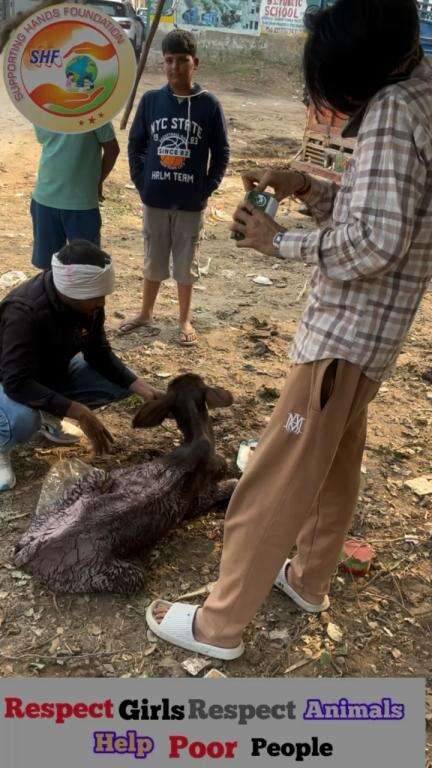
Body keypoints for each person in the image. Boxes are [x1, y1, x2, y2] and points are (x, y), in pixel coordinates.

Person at [144, 0, 432, 659]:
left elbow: (378, 241)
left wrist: (280, 245)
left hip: (345, 333)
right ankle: (308, 579)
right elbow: (386, 207)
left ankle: (219, 625)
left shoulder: (392, 112)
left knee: (274, 475)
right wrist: (306, 186)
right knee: (332, 463)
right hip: (372, 339)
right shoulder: (422, 89)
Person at [0, 240, 159, 491]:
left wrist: (140, 387)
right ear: (70, 292)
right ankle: (2, 443)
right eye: (96, 297)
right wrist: (79, 412)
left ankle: (49, 416)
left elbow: (99, 353)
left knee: (118, 383)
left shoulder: (88, 305)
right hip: (8, 381)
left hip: (49, 372)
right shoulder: (24, 312)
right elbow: (16, 382)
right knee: (22, 419)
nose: (102, 304)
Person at [122, 29, 230, 346]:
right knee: (153, 259)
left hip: (190, 202)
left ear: (194, 62)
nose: (175, 67)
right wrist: (141, 182)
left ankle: (184, 320)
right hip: (155, 198)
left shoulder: (209, 105)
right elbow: (136, 144)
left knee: (185, 264)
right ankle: (145, 313)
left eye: (182, 61)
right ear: (163, 64)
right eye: (169, 61)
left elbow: (221, 151)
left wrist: (207, 187)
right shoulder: (152, 101)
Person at [30, 124, 120, 270]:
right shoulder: (96, 111)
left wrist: (97, 181)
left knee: (85, 269)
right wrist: (97, 181)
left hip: (60, 201)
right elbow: (112, 150)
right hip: (56, 200)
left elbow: (112, 150)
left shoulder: (96, 113)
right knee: (72, 269)